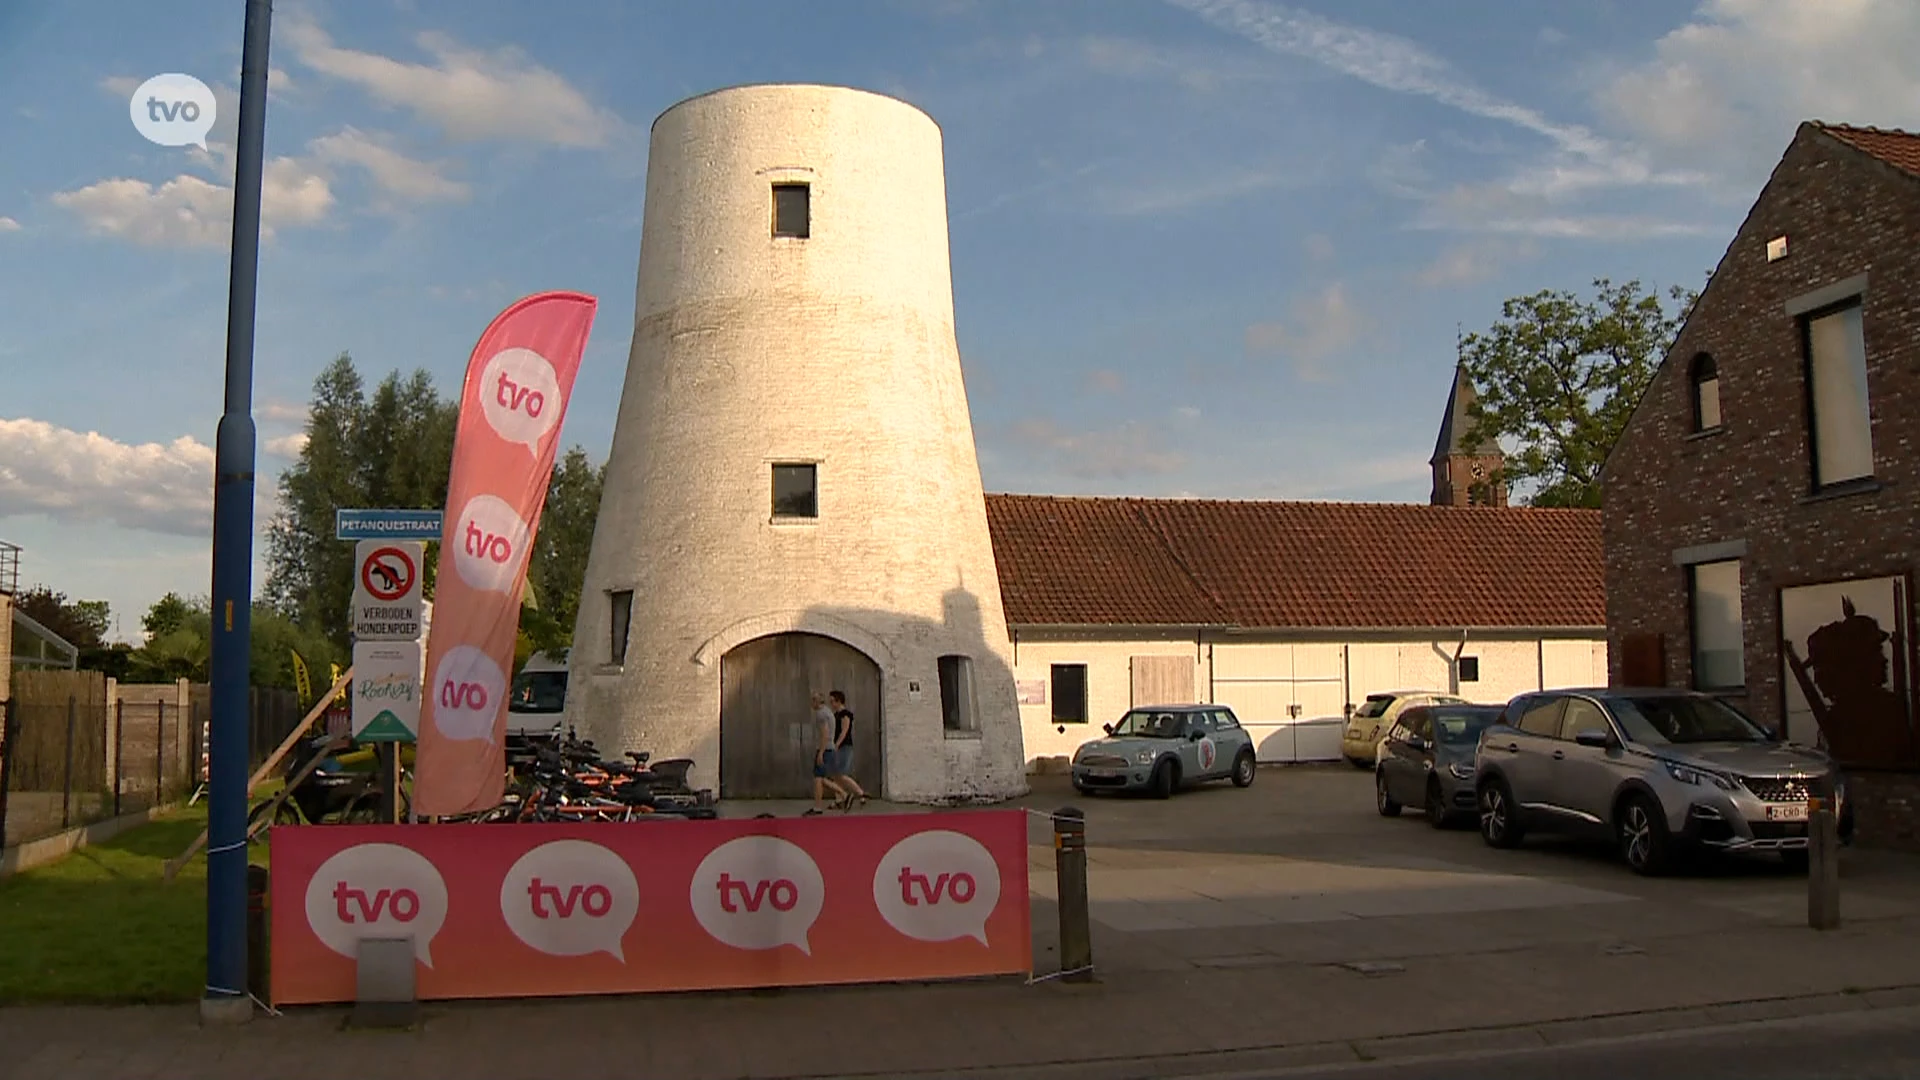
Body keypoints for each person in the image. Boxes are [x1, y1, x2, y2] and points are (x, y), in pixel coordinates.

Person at [805, 692, 849, 816]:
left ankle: (820, 806)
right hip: (828, 748)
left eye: (813, 700)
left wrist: (821, 752)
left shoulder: (821, 714)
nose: (811, 703)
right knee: (821, 778)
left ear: (817, 701)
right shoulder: (828, 712)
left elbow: (825, 734)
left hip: (825, 749)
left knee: (818, 778)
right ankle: (843, 794)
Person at [827, 690, 869, 810]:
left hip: (844, 746)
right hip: (837, 746)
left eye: (832, 701)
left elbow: (844, 731)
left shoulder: (846, 714)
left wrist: (837, 744)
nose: (831, 704)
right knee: (835, 775)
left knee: (841, 774)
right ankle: (839, 799)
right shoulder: (835, 715)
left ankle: (860, 792)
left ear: (838, 701)